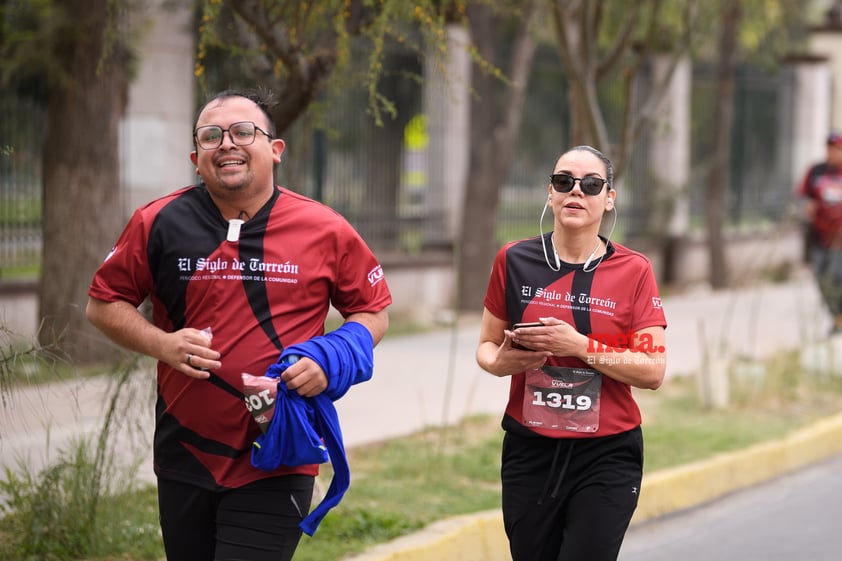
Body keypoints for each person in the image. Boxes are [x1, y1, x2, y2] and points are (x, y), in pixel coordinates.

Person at [86, 89, 391, 561]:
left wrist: (329, 360)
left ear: (275, 149)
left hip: (279, 449)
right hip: (184, 451)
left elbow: (372, 311)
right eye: (212, 136)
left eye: (243, 131)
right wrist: (161, 343)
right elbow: (104, 304)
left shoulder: (325, 228)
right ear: (196, 157)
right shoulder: (157, 221)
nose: (226, 143)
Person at [475, 145, 667, 561]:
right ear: (550, 193)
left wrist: (578, 346)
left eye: (591, 184)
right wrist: (501, 363)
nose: (575, 192)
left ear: (609, 198)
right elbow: (487, 348)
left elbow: (653, 370)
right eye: (564, 182)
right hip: (531, 450)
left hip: (607, 454)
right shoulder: (514, 260)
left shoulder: (634, 271)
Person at [797, 131, 842, 334]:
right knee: (821, 278)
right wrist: (806, 205)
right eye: (829, 149)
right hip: (819, 237)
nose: (831, 153)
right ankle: (837, 317)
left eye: (836, 149)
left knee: (836, 277)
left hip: (840, 239)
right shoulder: (816, 172)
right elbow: (802, 196)